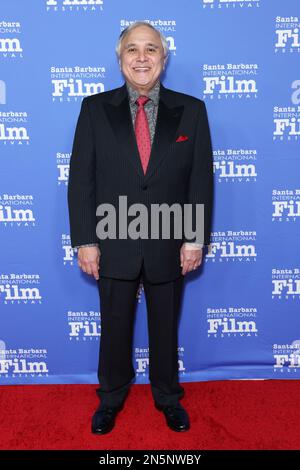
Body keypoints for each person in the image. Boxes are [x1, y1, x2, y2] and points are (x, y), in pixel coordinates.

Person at [67, 21, 213, 434]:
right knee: (113, 326)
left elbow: (199, 181)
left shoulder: (192, 110)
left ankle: (167, 397)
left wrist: (194, 237)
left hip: (170, 239)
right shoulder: (94, 109)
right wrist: (86, 240)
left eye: (151, 49)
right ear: (121, 58)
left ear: (164, 59)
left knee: (165, 327)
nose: (142, 57)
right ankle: (111, 397)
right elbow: (82, 181)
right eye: (133, 49)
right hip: (112, 239)